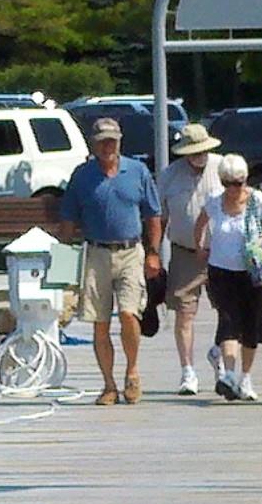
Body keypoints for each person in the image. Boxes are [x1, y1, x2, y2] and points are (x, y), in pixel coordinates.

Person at [59, 118, 162, 406]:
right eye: (102, 140)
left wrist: (153, 253)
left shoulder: (137, 171)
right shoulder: (82, 175)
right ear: (94, 143)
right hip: (96, 253)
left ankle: (132, 372)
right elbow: (68, 219)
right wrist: (62, 262)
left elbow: (153, 214)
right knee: (99, 323)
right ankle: (108, 385)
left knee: (130, 313)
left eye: (112, 140)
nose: (108, 146)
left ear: (120, 141)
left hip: (131, 251)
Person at [193, 154, 262, 401]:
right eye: (228, 183)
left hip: (254, 273)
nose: (233, 189)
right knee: (229, 321)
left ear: (245, 180)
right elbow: (200, 225)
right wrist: (200, 248)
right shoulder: (214, 202)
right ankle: (229, 375)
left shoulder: (258, 201)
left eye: (238, 183)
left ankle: (246, 378)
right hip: (221, 272)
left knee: (252, 327)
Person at [158, 124, 225, 396]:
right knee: (185, 313)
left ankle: (220, 356)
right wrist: (152, 253)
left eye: (203, 151)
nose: (199, 157)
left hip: (222, 252)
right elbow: (160, 218)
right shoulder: (169, 176)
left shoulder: (223, 167)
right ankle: (188, 371)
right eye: (193, 153)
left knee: (228, 310)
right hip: (185, 251)